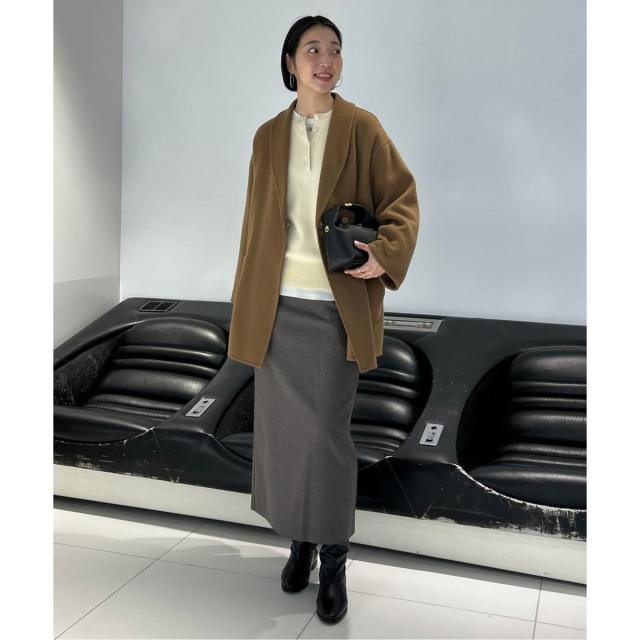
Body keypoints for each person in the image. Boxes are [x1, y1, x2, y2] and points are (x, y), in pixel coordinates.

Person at [229, 15, 420, 625]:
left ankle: (333, 559)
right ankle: (300, 545)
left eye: (334, 49)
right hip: (277, 306)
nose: (326, 60)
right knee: (285, 438)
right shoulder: (268, 136)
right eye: (312, 49)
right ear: (290, 62)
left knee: (325, 438)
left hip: (335, 307)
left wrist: (384, 255)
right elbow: (256, 226)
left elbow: (403, 201)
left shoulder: (362, 127)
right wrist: (245, 302)